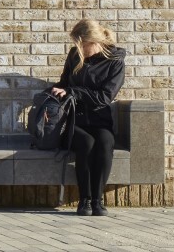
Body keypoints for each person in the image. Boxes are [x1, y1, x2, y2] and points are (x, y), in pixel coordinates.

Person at [49, 18, 125, 216]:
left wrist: (75, 92)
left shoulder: (115, 62)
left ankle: (97, 201)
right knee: (87, 143)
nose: (80, 49)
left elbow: (105, 97)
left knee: (105, 143)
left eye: (82, 45)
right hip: (75, 120)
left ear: (94, 41)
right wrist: (57, 90)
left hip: (100, 119)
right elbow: (65, 82)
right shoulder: (74, 55)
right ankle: (85, 201)